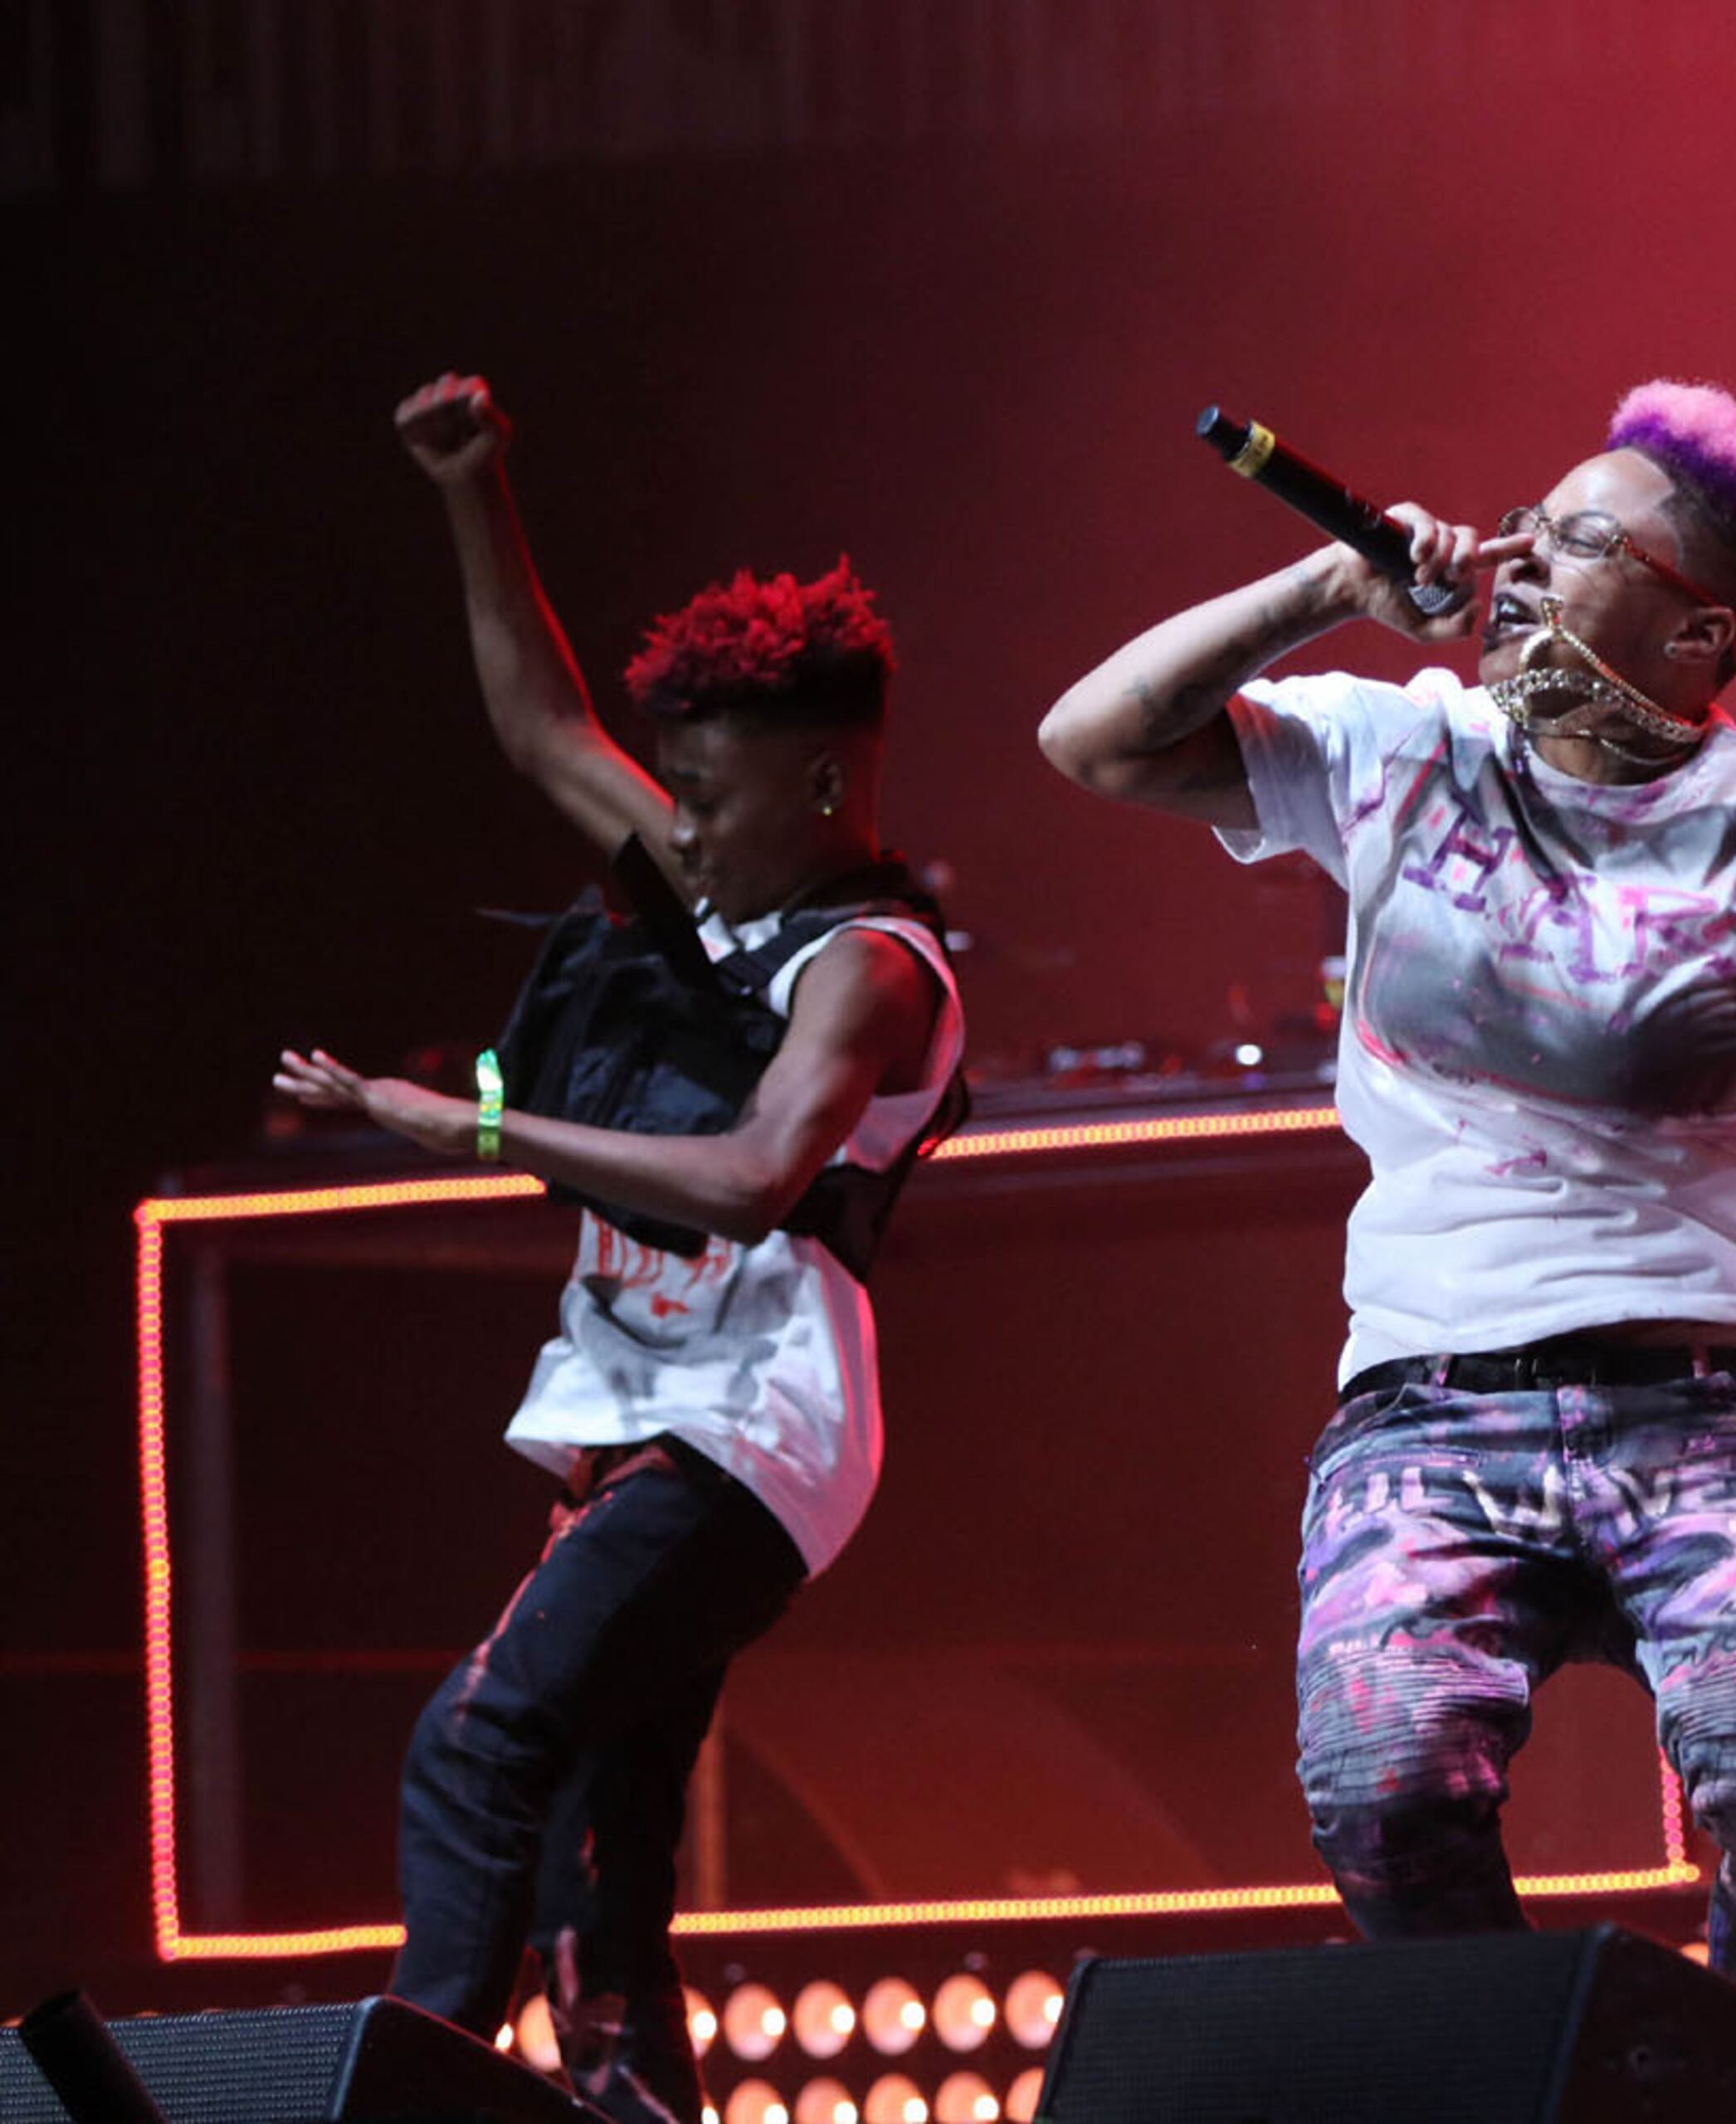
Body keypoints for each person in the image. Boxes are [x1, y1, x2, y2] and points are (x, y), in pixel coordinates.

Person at [1036, 381, 1736, 2029]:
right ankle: (1530, 2074)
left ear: (1697, 629)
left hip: (1716, 1407)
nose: (1515, 557)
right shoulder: (1402, 746)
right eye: (1526, 522)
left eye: (1578, 542)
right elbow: (1092, 739)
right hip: (1427, 1404)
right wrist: (1331, 587)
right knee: (1381, 1791)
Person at [273, 374, 963, 2124]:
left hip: (754, 1426)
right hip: (642, 1410)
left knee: (481, 1732)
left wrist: (479, 1130)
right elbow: (537, 726)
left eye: (711, 796)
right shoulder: (711, 884)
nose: (682, 824)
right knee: (598, 1835)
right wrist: (472, 487)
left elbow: (751, 1177)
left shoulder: (872, 965)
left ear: (824, 781)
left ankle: (409, 2097)